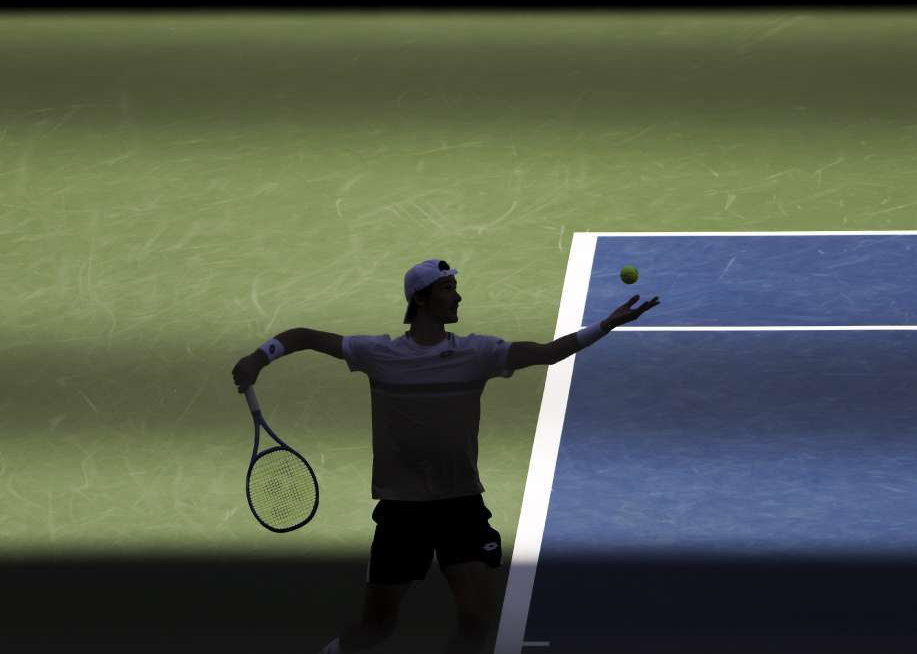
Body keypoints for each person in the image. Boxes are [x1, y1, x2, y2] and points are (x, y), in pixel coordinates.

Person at [230, 259, 660, 654]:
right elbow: (304, 337)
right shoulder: (379, 354)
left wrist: (606, 326)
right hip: (403, 513)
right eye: (447, 288)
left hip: (460, 505)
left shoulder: (478, 353)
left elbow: (547, 353)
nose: (457, 296)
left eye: (455, 287)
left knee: (476, 623)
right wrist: (257, 358)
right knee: (376, 628)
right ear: (420, 299)